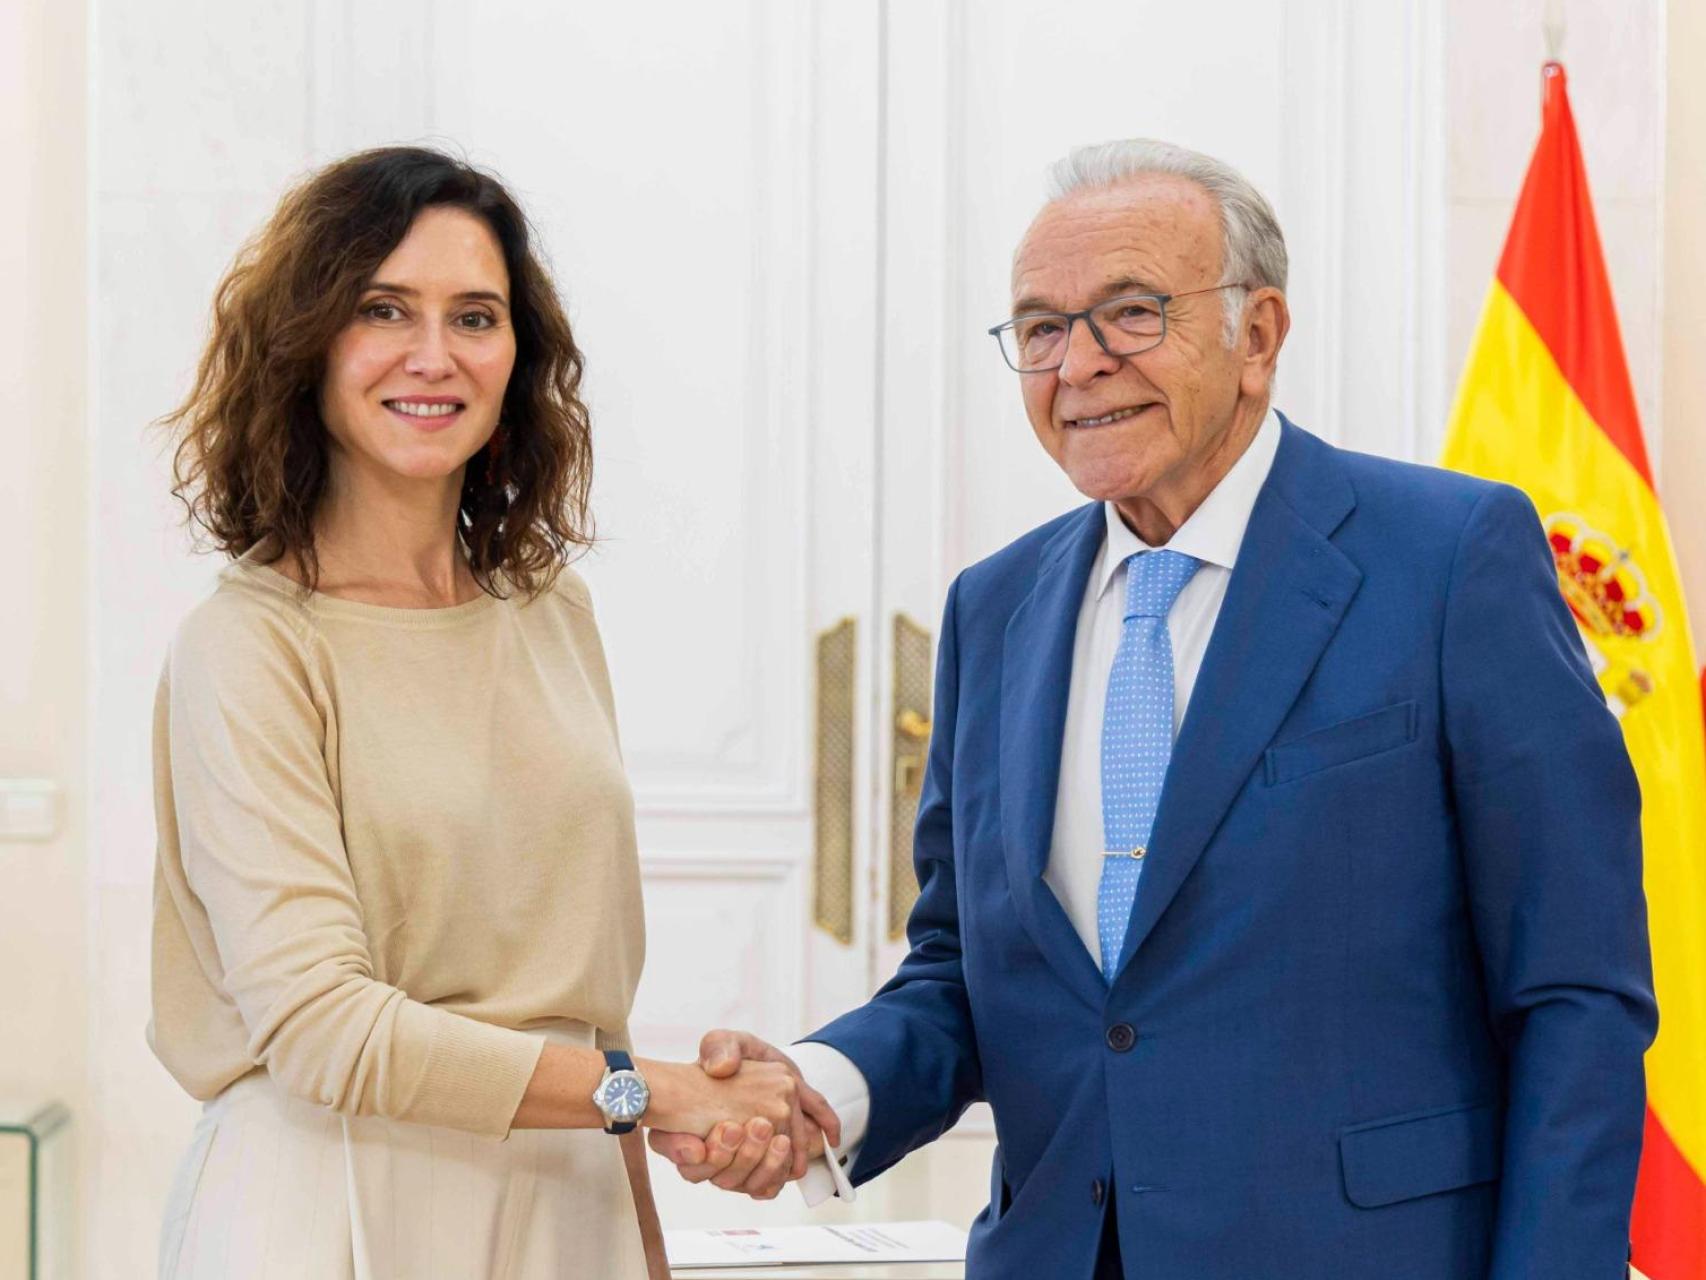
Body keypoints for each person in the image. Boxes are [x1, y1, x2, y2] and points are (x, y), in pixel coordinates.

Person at [651, 139, 1656, 1278]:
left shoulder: (1449, 558)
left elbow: (1572, 989)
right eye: (1038, 328)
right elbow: (965, 974)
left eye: (1129, 312)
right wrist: (817, 1086)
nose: (1076, 363)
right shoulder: (993, 609)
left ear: (1257, 335)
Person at [148, 146, 832, 1280]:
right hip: (335, 1202)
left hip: (568, 1195)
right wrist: (657, 1092)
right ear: (309, 344)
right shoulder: (251, 645)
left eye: (475, 315)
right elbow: (324, 1025)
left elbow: (587, 1002)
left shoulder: (551, 612)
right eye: (383, 310)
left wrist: (641, 1218)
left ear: (518, 357)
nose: (434, 355)